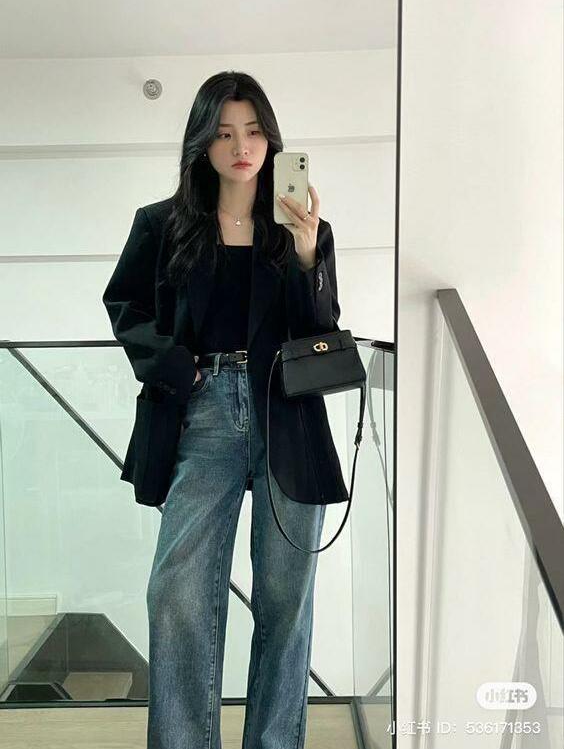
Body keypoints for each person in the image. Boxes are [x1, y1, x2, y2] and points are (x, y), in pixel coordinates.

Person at [103, 70, 346, 749]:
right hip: (202, 413)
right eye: (225, 133)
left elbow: (322, 327)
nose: (242, 147)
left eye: (254, 131)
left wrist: (306, 253)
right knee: (177, 593)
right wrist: (177, 368)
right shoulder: (162, 224)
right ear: (202, 144)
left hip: (285, 414)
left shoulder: (302, 230)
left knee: (286, 601)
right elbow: (125, 307)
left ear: (272, 139)